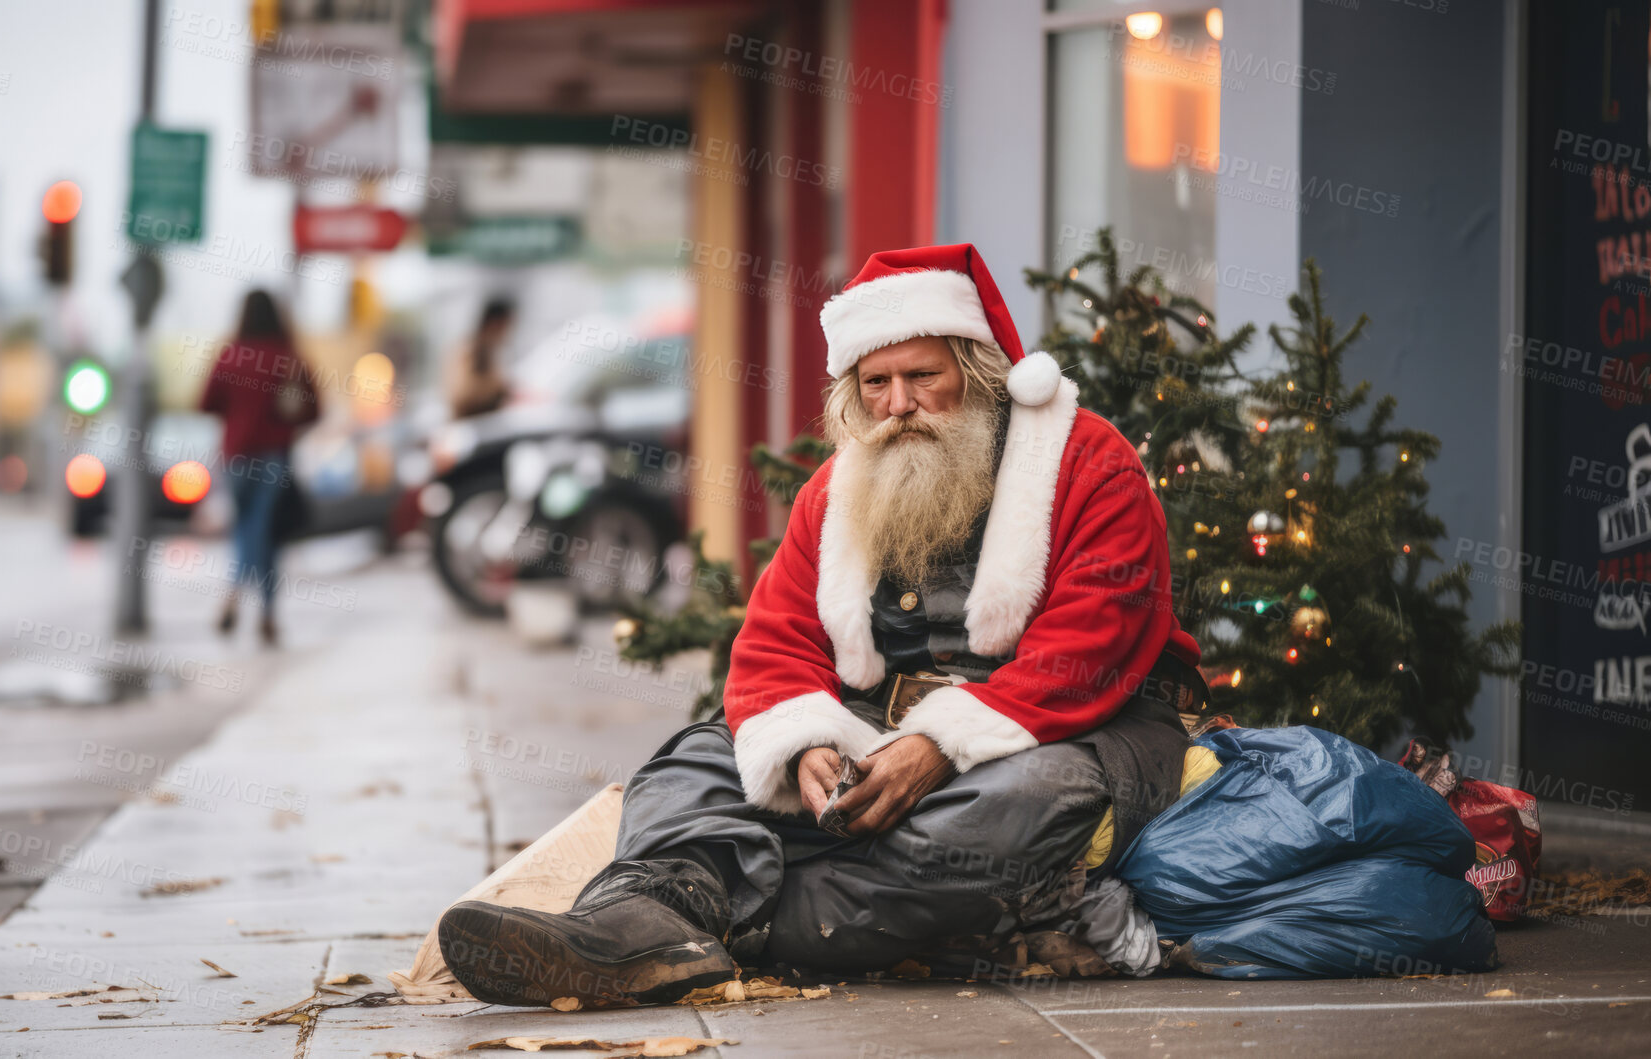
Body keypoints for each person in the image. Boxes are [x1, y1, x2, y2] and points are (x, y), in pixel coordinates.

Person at [438, 244, 1207, 1007]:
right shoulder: (837, 488)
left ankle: (676, 929)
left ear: (975, 374)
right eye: (876, 383)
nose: (897, 403)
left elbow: (1091, 645)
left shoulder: (1087, 461)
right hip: (879, 724)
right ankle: (652, 909)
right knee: (697, 761)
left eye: (922, 377)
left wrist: (939, 745)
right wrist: (804, 739)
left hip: (1069, 732)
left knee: (1011, 807)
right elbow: (774, 640)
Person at [199, 289, 320, 646]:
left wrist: (237, 414)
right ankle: (265, 612)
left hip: (236, 456)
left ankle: (240, 595)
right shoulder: (288, 359)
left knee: (248, 529)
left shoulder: (231, 355)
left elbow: (205, 402)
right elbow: (313, 410)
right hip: (273, 456)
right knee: (264, 532)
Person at [444, 297, 515, 419]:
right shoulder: (470, 350)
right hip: (468, 425)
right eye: (505, 326)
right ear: (494, 323)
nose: (507, 333)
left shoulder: (488, 351)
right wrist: (499, 388)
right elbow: (461, 394)